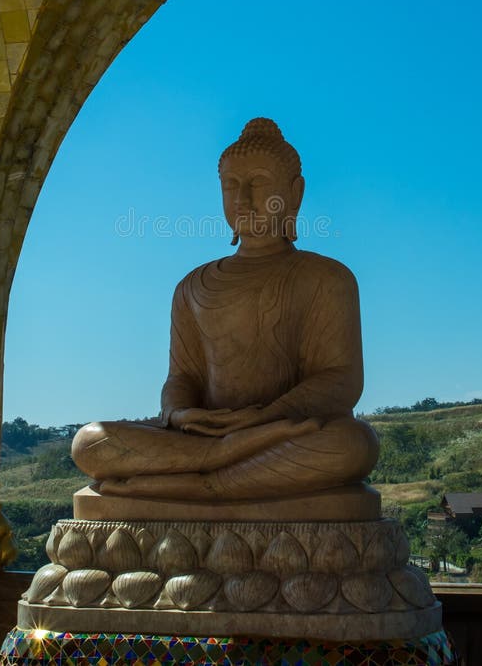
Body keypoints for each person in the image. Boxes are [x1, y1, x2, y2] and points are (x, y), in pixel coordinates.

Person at [72, 118, 378, 500]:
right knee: (90, 441)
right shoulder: (192, 287)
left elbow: (340, 380)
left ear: (295, 195)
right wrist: (181, 414)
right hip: (209, 438)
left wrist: (267, 418)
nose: (243, 200)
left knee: (353, 444)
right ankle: (216, 461)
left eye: (259, 183)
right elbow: (182, 376)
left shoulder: (327, 278)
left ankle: (202, 484)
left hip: (284, 430)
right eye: (231, 186)